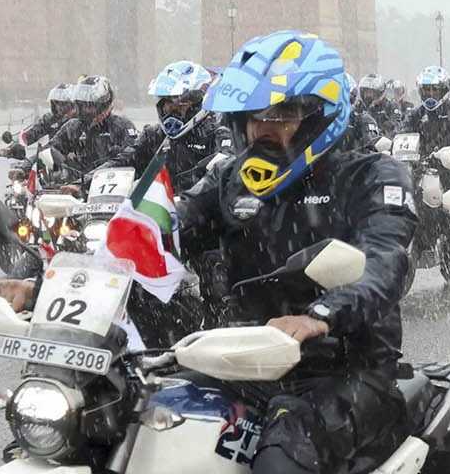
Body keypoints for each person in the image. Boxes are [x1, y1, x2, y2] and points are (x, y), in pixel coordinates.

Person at [177, 30, 416, 474]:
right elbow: (170, 226)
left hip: (345, 372)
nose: (262, 130)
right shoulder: (229, 180)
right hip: (242, 362)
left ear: (318, 119)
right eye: (253, 117)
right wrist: (68, 276)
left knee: (279, 462)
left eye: (280, 115)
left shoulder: (371, 177)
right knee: (151, 418)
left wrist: (321, 314)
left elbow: (385, 263)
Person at [104, 61, 227, 194]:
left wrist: (186, 199)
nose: (169, 110)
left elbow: (224, 171)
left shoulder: (218, 133)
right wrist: (85, 183)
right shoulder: (154, 135)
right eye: (166, 104)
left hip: (198, 211)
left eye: (178, 105)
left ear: (197, 103)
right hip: (160, 210)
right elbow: (123, 161)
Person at [22, 75, 138, 181]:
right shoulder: (73, 127)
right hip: (74, 187)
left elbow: (133, 158)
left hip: (108, 187)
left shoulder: (122, 126)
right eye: (82, 105)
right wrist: (26, 166)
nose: (85, 110)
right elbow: (50, 148)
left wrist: (103, 170)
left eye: (89, 106)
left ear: (103, 104)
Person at [397, 65, 450, 152]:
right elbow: (403, 132)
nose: (431, 94)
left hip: (448, 160)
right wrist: (392, 144)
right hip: (418, 161)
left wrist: (445, 150)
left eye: (435, 89)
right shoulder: (416, 113)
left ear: (444, 90)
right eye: (427, 89)